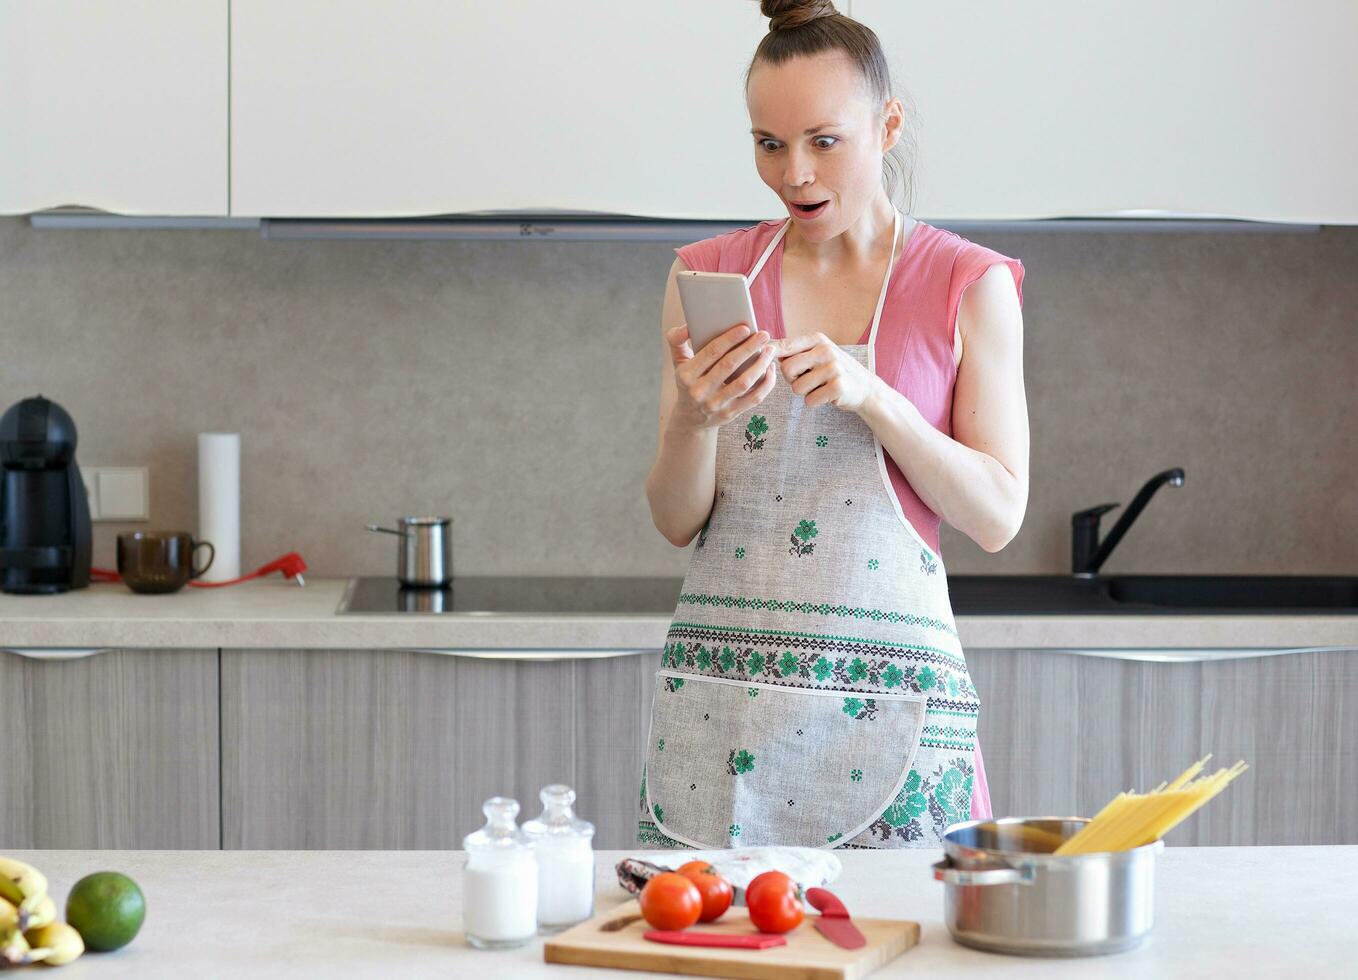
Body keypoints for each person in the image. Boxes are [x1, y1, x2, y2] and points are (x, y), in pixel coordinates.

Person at [638, 0, 1027, 850]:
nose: (795, 175)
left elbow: (997, 516)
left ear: (887, 127)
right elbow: (675, 522)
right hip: (723, 715)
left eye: (824, 141)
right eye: (769, 145)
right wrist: (693, 423)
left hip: (891, 718)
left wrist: (873, 396)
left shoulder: (967, 283)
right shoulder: (706, 277)